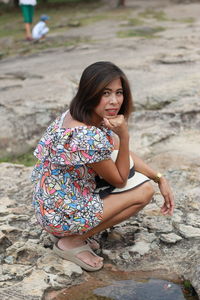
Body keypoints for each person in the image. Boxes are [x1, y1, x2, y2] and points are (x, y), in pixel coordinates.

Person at [31, 61, 174, 272]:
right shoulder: (86, 135)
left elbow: (113, 146)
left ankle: (75, 231)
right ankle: (72, 240)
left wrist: (159, 177)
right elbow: (120, 179)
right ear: (90, 93)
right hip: (60, 213)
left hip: (50, 203)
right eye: (105, 93)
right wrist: (124, 135)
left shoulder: (75, 114)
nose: (114, 101)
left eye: (119, 92)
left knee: (136, 173)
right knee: (143, 192)